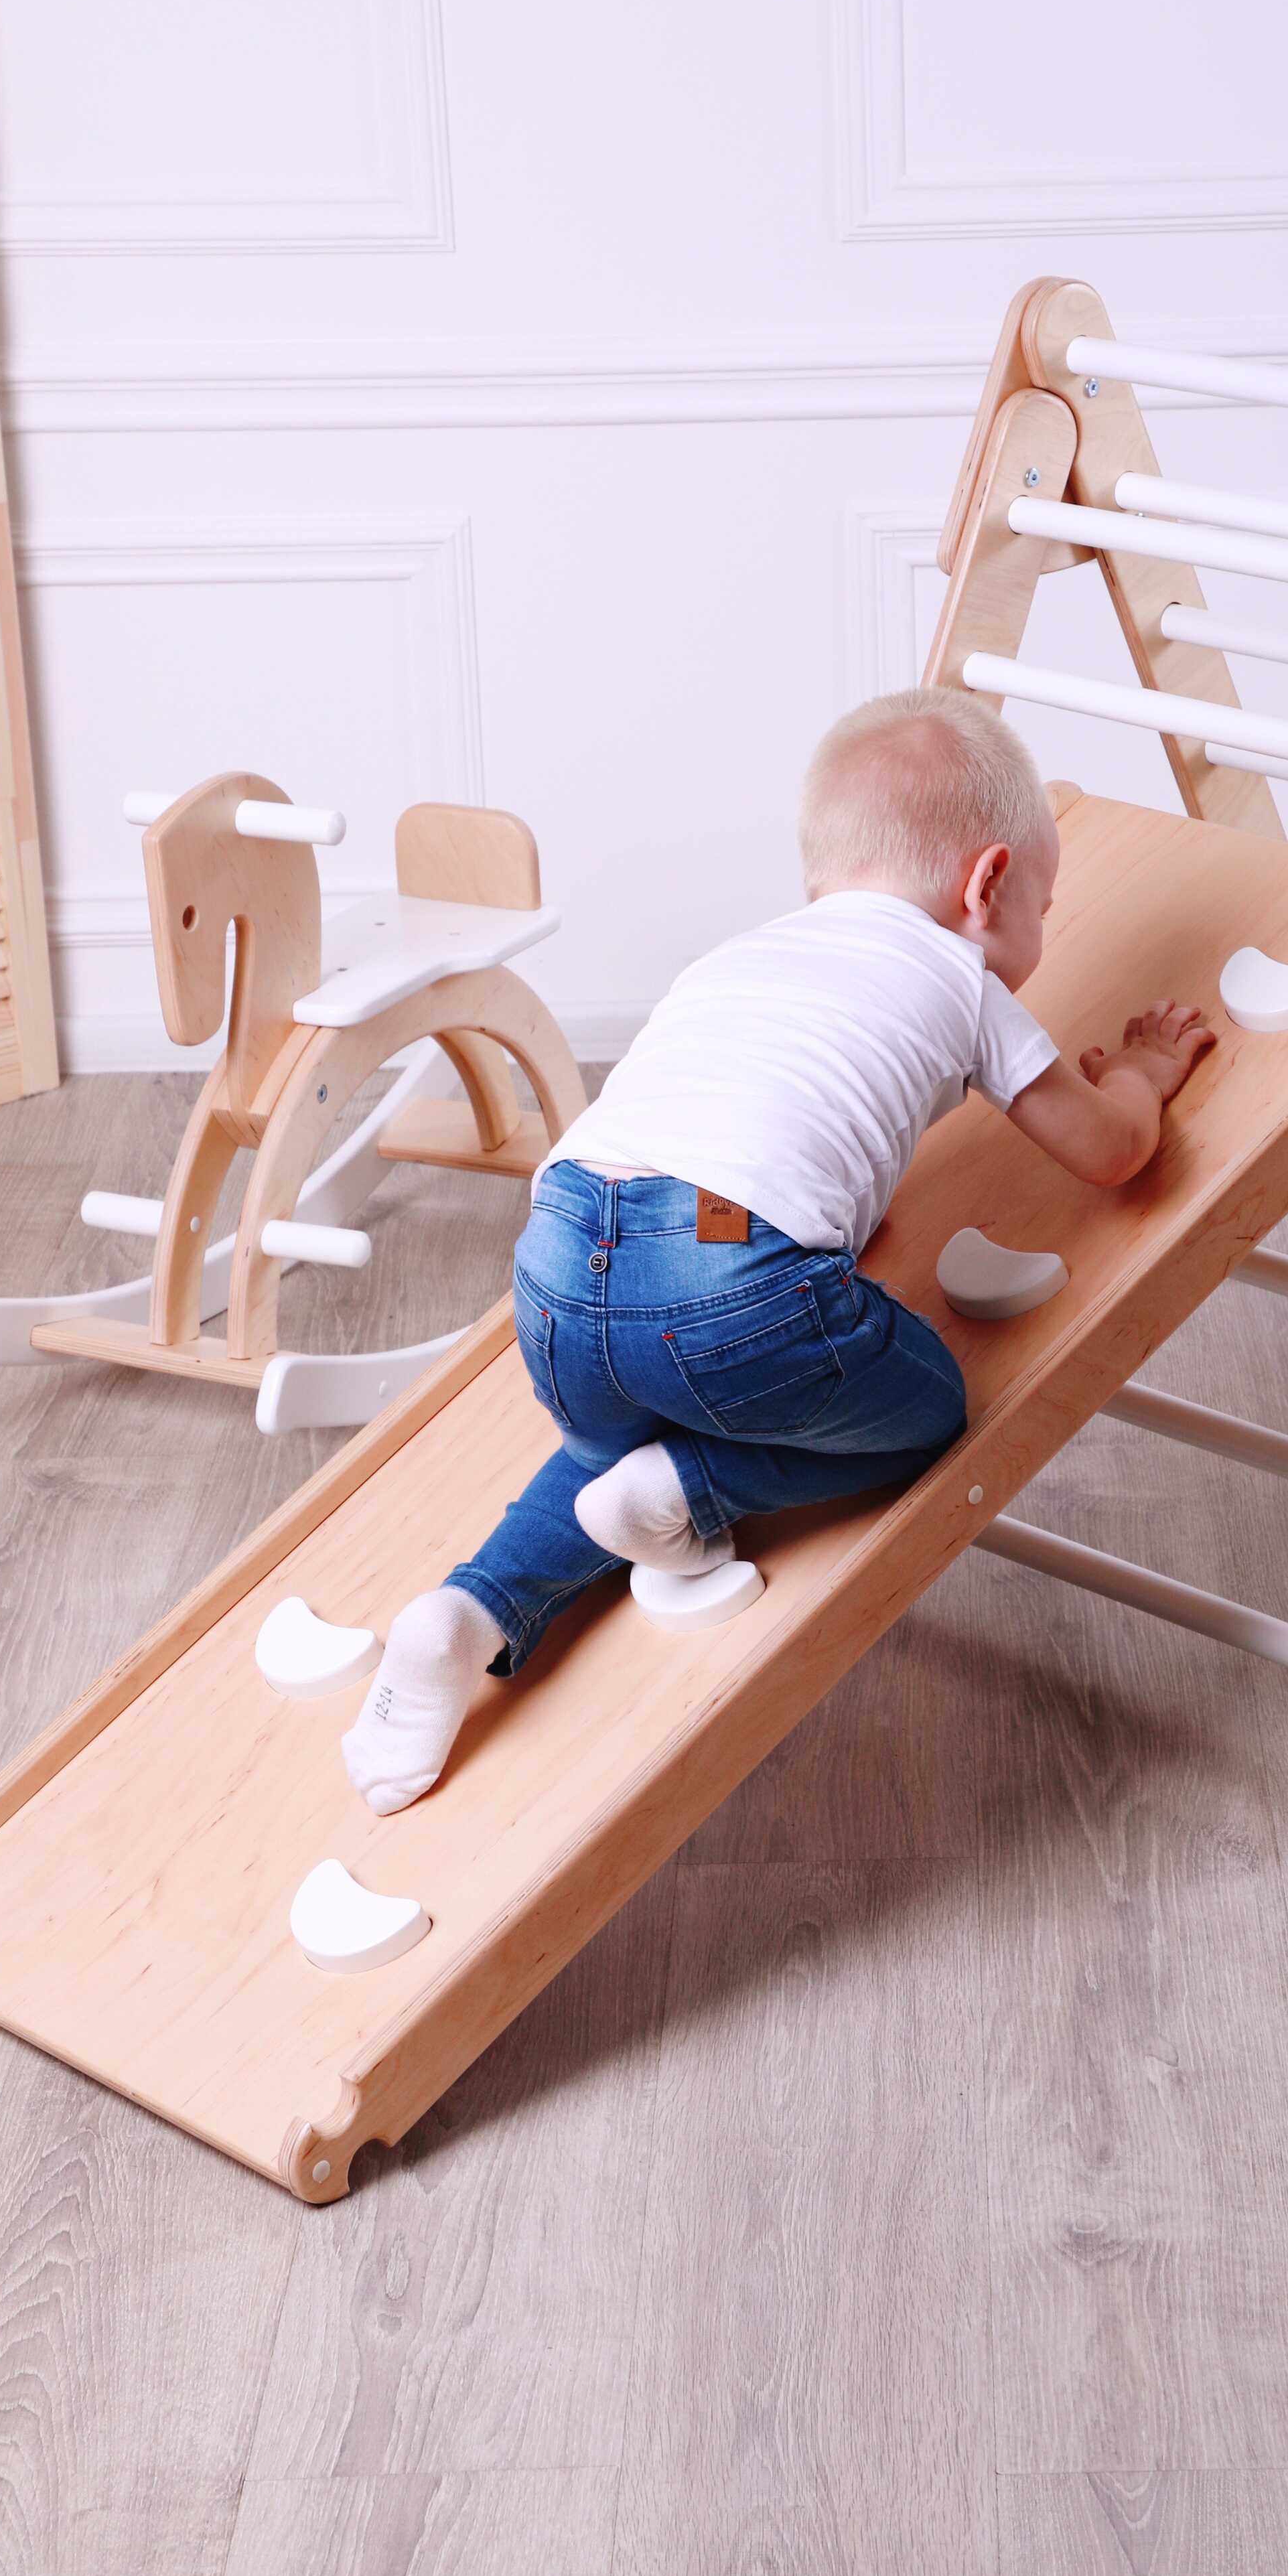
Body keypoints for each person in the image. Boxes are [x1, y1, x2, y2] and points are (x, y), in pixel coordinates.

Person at [341, 686, 1213, 1812]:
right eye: (1042, 906)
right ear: (988, 884)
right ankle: (687, 1487)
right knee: (928, 1408)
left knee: (609, 1439)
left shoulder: (736, 959)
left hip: (561, 1261)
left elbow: (753, 1134)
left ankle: (464, 1614)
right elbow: (1109, 1154)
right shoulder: (962, 975)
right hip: (725, 1281)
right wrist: (1141, 1073)